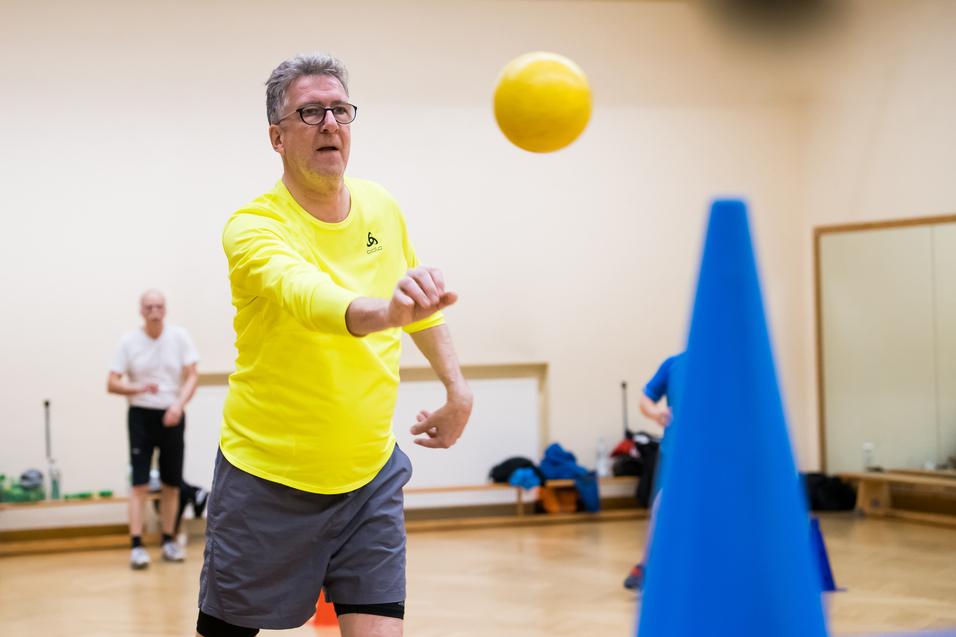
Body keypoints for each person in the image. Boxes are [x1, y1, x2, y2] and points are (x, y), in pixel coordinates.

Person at [196, 53, 473, 637]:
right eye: (310, 111)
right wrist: (385, 311)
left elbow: (421, 309)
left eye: (340, 110)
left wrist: (457, 388)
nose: (330, 123)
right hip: (266, 482)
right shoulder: (253, 228)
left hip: (369, 475)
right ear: (277, 136)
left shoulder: (381, 207)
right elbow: (310, 298)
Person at [107, 290, 199, 569]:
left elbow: (192, 375)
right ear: (141, 310)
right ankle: (136, 546)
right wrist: (137, 388)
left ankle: (168, 540)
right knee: (140, 484)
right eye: (149, 307)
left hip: (172, 414)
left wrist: (178, 406)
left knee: (172, 483)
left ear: (165, 309)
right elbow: (112, 383)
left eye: (159, 306)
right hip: (141, 416)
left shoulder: (179, 337)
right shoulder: (129, 342)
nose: (154, 311)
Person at [624, 352, 685, 591]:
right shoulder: (673, 365)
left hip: (714, 455)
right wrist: (656, 412)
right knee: (661, 509)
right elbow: (645, 399)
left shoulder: (725, 363)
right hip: (674, 453)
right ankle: (647, 566)